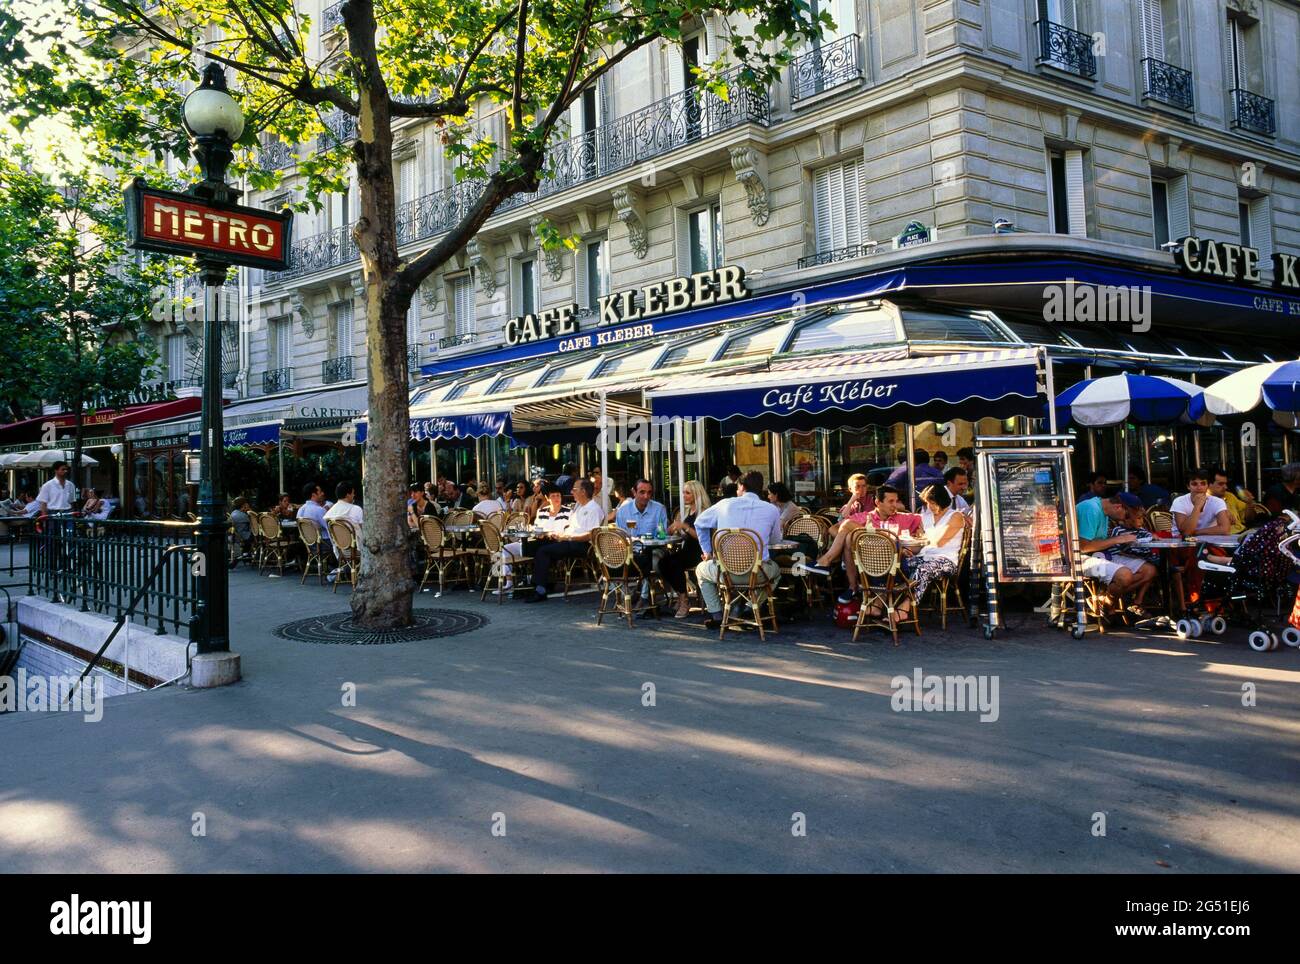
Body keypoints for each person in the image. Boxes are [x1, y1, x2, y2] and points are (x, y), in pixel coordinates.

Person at [693, 471, 783, 630]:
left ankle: (717, 614)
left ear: (741, 486)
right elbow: (776, 541)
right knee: (776, 572)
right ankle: (750, 607)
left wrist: (707, 551)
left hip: (725, 574)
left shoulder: (724, 504)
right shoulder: (772, 510)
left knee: (701, 570)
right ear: (761, 488)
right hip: (758, 574)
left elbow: (699, 523)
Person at [804, 484, 922, 603]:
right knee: (849, 536)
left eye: (896, 501)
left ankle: (839, 573)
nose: (895, 505)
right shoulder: (865, 516)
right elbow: (833, 529)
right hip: (866, 563)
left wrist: (919, 530)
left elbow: (922, 519)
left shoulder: (902, 517)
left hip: (894, 565)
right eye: (890, 501)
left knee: (850, 533)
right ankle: (835, 568)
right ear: (878, 502)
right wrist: (859, 542)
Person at [884, 485, 966, 627]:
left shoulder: (955, 516)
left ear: (941, 500)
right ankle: (884, 603)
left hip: (945, 560)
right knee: (897, 563)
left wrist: (920, 539)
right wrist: (910, 549)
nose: (929, 506)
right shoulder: (925, 516)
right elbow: (920, 542)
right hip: (924, 556)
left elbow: (939, 542)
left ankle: (904, 608)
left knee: (923, 570)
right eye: (927, 503)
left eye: (932, 503)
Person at [524, 479, 605, 602]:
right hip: (568, 540)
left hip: (582, 545)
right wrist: (559, 535)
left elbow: (591, 535)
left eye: (574, 489)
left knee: (544, 551)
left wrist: (567, 537)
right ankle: (540, 582)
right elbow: (571, 528)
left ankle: (540, 590)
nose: (571, 492)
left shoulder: (594, 509)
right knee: (532, 546)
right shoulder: (579, 506)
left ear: (583, 492)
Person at [1076, 490, 1158, 608]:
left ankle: (1105, 600)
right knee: (1125, 576)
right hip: (1080, 557)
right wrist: (1118, 539)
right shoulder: (1092, 509)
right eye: (1127, 515)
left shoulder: (1102, 510)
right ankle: (1108, 602)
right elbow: (1083, 547)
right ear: (1119, 507)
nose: (1125, 520)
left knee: (1149, 571)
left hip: (1100, 554)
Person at [660, 480, 711, 618]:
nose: (684, 495)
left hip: (700, 551)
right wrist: (677, 530)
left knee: (673, 563)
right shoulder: (690, 510)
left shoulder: (705, 512)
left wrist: (684, 526)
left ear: (696, 494)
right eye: (683, 492)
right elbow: (687, 533)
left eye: (687, 493)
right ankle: (683, 597)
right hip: (688, 549)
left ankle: (684, 601)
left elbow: (702, 536)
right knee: (663, 563)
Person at [1171, 468, 1231, 537]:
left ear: (1207, 486)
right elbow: (1186, 533)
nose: (1199, 487)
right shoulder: (1179, 501)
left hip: (1208, 542)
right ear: (1188, 486)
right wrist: (1197, 507)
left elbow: (1225, 529)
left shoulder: (1217, 502)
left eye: (1203, 483)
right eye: (1194, 484)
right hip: (1181, 543)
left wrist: (1196, 532)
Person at [324, 481, 364, 560]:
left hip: (340, 551)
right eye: (353, 493)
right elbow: (363, 530)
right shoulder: (356, 509)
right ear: (347, 494)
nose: (354, 495)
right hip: (358, 550)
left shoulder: (329, 513)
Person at [1210, 469, 1259, 534]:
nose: (1225, 487)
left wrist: (1249, 503)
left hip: (1243, 532)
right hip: (1226, 537)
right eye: (1221, 484)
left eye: (1225, 483)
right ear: (1209, 485)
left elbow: (1248, 519)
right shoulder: (1205, 500)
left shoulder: (1230, 496)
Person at [297, 483, 333, 552]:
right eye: (320, 492)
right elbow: (330, 528)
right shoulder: (319, 510)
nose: (322, 494)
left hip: (308, 544)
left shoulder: (300, 509)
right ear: (313, 495)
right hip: (322, 544)